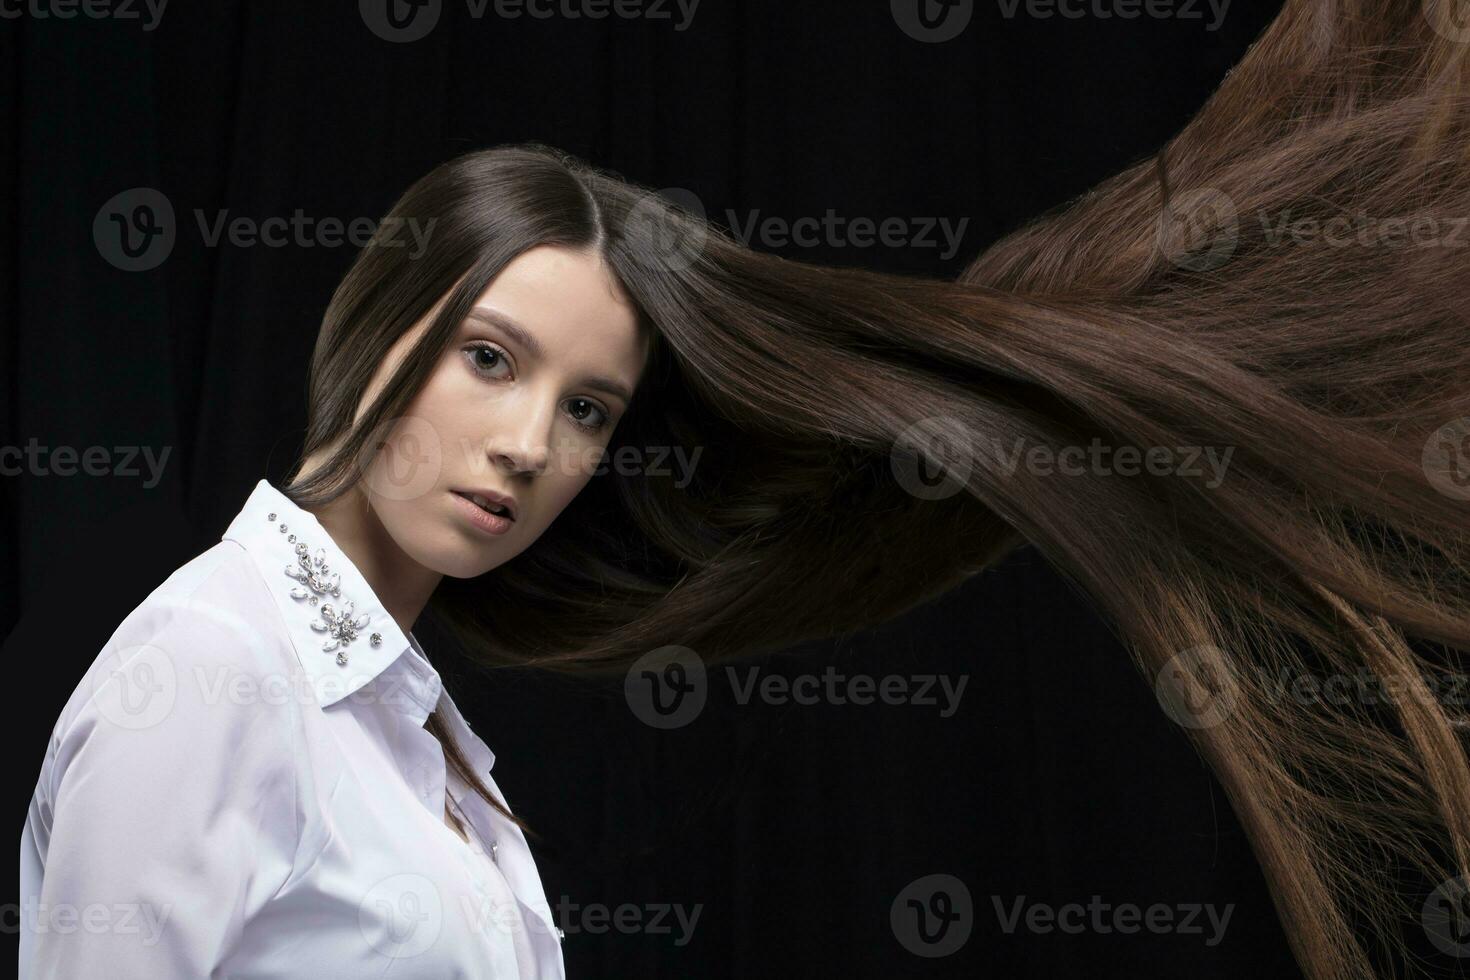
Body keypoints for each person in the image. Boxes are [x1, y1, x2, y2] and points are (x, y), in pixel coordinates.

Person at [21, 2, 1470, 976]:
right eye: (487, 356)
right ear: (369, 328)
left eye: (586, 406)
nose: (531, 443)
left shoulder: (422, 742)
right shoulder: (215, 672)